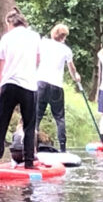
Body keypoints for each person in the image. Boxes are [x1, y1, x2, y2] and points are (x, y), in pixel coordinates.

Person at [0, 7, 41, 168]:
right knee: (29, 125)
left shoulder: (7, 38)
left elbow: (0, 65)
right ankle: (28, 162)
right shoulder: (34, 37)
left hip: (9, 85)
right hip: (28, 86)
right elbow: (38, 60)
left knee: (2, 124)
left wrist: (0, 85)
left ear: (10, 22)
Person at [35, 23, 81, 152]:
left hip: (41, 84)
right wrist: (75, 77)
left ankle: (32, 148)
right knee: (59, 118)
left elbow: (36, 60)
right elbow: (72, 69)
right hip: (56, 87)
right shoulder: (66, 49)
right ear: (63, 36)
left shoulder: (43, 43)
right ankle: (63, 149)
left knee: (37, 116)